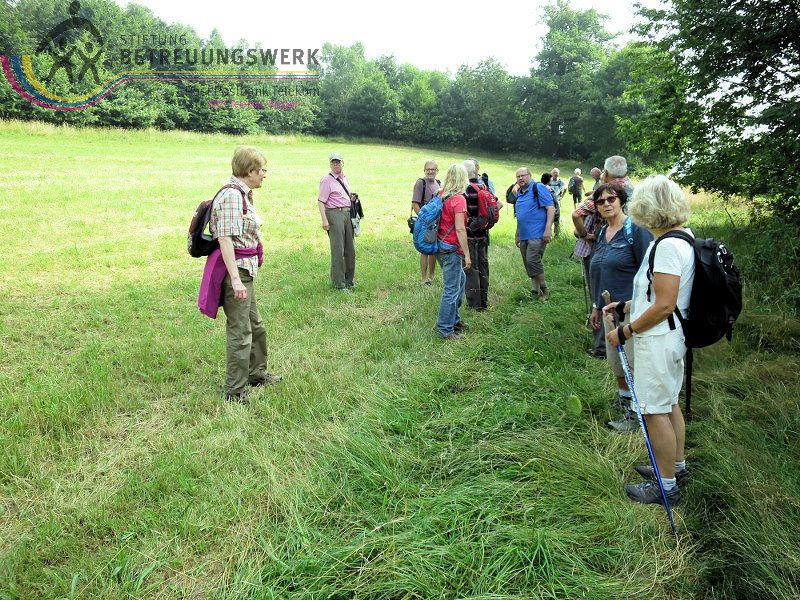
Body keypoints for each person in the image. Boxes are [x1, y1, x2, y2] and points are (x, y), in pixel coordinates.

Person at [604, 175, 695, 507]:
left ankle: (665, 486)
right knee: (668, 404)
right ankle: (676, 467)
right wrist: (626, 306)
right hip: (670, 336)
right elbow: (658, 296)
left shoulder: (667, 246)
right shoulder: (682, 238)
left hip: (658, 340)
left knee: (654, 411)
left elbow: (665, 304)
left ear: (649, 208)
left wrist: (624, 331)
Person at [208, 146, 280, 403]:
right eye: (262, 170)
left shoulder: (243, 194)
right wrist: (236, 280)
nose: (264, 174)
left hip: (246, 270)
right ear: (249, 171)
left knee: (255, 325)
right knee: (240, 331)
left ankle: (256, 374)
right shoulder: (232, 196)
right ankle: (235, 391)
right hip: (236, 272)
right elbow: (225, 238)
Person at [589, 183, 653, 431]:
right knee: (617, 362)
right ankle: (625, 402)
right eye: (600, 201)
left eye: (611, 199)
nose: (606, 203)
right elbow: (599, 272)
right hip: (608, 312)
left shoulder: (635, 231)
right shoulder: (602, 233)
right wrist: (596, 306)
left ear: (622, 201)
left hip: (631, 311)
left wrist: (632, 306)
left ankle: (639, 415)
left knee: (634, 364)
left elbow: (649, 273)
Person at [435, 164, 471, 339]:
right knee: (451, 289)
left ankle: (454, 319)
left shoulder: (441, 195)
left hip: (440, 245)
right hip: (451, 248)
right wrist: (467, 254)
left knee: (460, 280)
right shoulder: (459, 199)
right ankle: (445, 329)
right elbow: (460, 229)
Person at [463, 159, 501, 311]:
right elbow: (497, 204)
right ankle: (483, 301)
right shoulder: (483, 186)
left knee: (471, 269)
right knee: (483, 268)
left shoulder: (466, 189)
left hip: (470, 236)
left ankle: (474, 305)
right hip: (483, 235)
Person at [572, 194, 605, 358]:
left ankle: (601, 347)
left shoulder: (601, 194)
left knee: (597, 296)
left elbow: (576, 214)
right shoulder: (628, 190)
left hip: (597, 248)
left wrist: (584, 234)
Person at [514, 168, 555, 300]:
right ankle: (534, 292)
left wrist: (548, 229)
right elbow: (520, 216)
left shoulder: (539, 188)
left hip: (538, 233)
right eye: (518, 176)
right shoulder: (519, 193)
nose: (520, 178)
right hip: (524, 234)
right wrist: (517, 234)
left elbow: (551, 208)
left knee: (533, 260)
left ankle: (545, 289)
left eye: (523, 175)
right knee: (528, 262)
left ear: (530, 176)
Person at [318, 152, 355, 291]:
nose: (336, 164)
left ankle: (349, 281)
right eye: (333, 162)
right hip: (334, 215)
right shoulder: (327, 180)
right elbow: (321, 201)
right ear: (330, 164)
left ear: (342, 163)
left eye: (338, 162)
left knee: (350, 249)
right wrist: (325, 220)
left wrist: (351, 198)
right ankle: (338, 284)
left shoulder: (344, 178)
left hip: (347, 213)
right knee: (338, 250)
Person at [411, 160, 441, 285]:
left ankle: (431, 277)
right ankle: (423, 279)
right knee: (424, 250)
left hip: (435, 223)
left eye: (433, 169)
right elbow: (415, 203)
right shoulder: (420, 183)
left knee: (433, 249)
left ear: (437, 171)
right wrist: (423, 221)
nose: (430, 171)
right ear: (424, 170)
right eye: (428, 169)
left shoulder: (439, 184)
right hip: (425, 223)